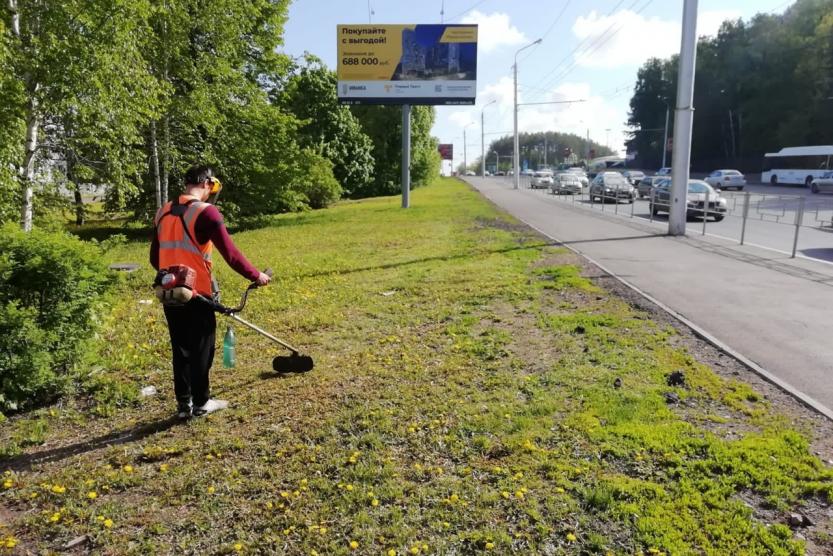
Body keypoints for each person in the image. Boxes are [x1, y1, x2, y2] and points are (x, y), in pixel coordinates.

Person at [150, 165, 271, 418]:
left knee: (180, 349)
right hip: (197, 293)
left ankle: (184, 405)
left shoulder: (162, 212)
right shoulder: (206, 213)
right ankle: (202, 403)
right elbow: (232, 254)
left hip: (169, 290)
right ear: (207, 184)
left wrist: (172, 273)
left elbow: (154, 257)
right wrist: (256, 275)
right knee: (202, 348)